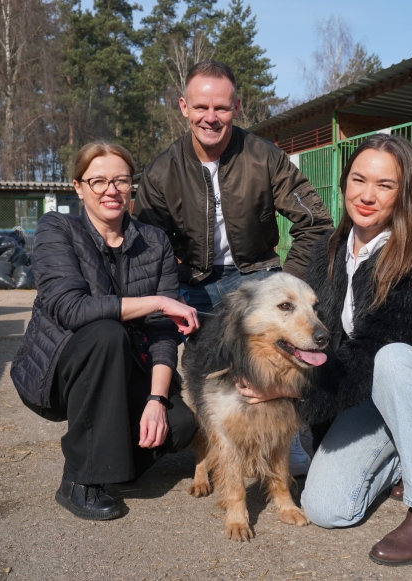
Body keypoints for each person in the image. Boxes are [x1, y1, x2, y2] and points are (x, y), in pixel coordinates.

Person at [236, 134, 412, 565]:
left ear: (404, 194)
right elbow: (321, 343)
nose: (367, 195)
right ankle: (400, 457)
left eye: (385, 185)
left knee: (393, 357)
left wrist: (288, 390)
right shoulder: (326, 252)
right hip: (367, 393)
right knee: (325, 509)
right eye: (359, 180)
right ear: (344, 182)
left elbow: (369, 356)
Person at [134, 59, 334, 476]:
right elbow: (149, 244)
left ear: (236, 107)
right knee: (204, 366)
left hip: (256, 273)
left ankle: (285, 439)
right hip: (194, 280)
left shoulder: (266, 157)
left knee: (278, 356)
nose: (211, 117)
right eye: (201, 107)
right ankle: (211, 441)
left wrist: (289, 281)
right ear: (184, 106)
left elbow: (315, 223)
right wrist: (171, 289)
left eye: (221, 108)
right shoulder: (161, 171)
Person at [10, 141, 200, 521]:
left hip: (125, 366)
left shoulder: (155, 242)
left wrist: (156, 400)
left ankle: (106, 458)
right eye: (98, 181)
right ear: (79, 187)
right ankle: (79, 480)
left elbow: (163, 333)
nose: (111, 190)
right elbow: (71, 308)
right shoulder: (57, 229)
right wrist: (158, 302)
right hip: (62, 369)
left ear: (131, 186)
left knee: (179, 426)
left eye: (121, 180)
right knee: (107, 332)